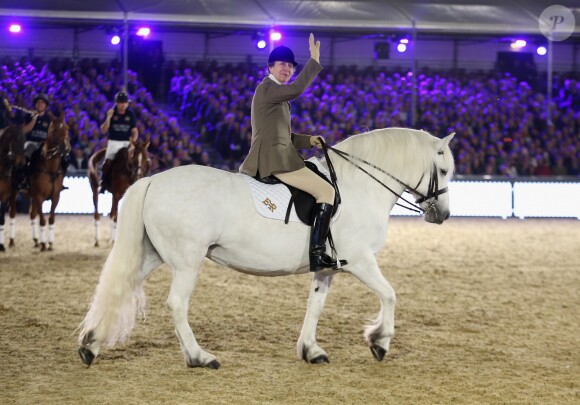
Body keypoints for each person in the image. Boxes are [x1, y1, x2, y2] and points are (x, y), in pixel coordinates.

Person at [239, 33, 344, 272]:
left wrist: (309, 140)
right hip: (274, 161)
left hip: (281, 153)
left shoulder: (277, 96)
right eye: (282, 64)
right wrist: (314, 61)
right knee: (327, 191)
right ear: (270, 67)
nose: (287, 68)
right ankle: (317, 254)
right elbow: (298, 89)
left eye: (290, 65)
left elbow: (282, 136)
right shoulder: (267, 89)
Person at [99, 91, 138, 193]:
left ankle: (136, 180)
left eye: (125, 102)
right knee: (107, 162)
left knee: (136, 161)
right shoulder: (111, 113)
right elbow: (103, 130)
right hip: (114, 142)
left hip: (126, 142)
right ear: (116, 103)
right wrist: (108, 117)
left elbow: (134, 130)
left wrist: (133, 141)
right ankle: (103, 182)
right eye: (121, 102)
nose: (123, 105)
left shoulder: (130, 114)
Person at [15, 93, 53, 191]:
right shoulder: (29, 116)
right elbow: (24, 131)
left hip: (43, 144)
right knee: (28, 149)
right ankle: (23, 178)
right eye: (38, 103)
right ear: (35, 105)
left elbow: (50, 134)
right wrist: (34, 119)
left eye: (42, 103)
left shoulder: (48, 119)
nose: (40, 104)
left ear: (46, 106)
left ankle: (56, 180)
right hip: (31, 142)